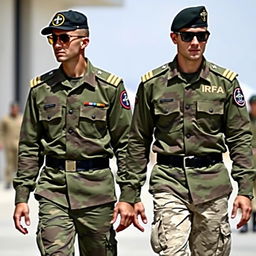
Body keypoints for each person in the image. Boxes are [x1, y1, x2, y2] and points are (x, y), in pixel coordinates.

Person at [118, 6, 256, 255]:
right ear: (174, 38)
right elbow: (137, 140)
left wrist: (245, 191)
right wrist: (130, 194)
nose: (195, 42)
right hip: (168, 183)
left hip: (212, 185)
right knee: (171, 251)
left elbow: (240, 139)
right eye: (187, 36)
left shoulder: (224, 84)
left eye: (201, 36)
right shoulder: (153, 85)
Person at [13, 10, 134, 256]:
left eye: (64, 38)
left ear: (84, 42)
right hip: (53, 191)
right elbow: (29, 146)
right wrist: (21, 196)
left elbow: (127, 145)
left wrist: (129, 195)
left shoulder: (109, 88)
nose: (58, 44)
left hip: (97, 194)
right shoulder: (41, 89)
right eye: (53, 39)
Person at [240, 95, 256, 233]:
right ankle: (244, 222)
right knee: (244, 190)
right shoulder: (245, 119)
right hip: (247, 161)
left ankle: (255, 221)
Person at [0, 102, 22, 189]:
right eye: (13, 109)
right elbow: (1, 132)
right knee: (9, 164)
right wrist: (1, 142)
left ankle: (18, 181)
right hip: (8, 144)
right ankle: (8, 181)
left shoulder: (21, 118)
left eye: (16, 109)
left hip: (18, 144)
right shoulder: (5, 119)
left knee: (19, 163)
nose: (14, 110)